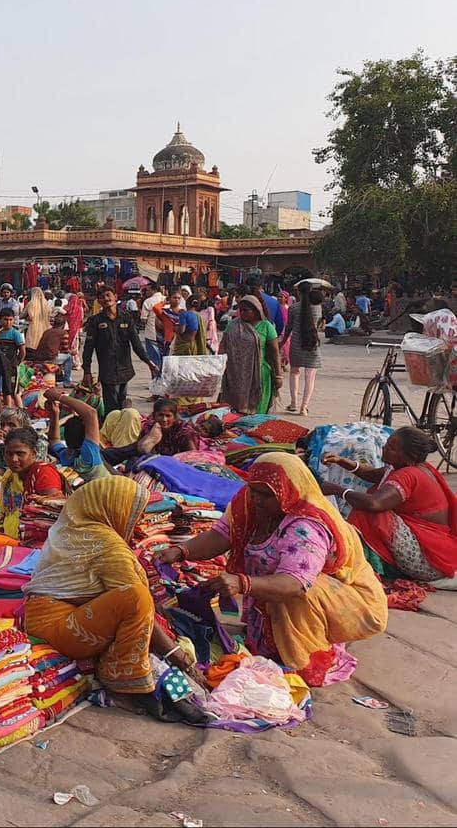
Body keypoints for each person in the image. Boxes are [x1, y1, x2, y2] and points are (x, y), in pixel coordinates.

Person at [155, 454, 386, 686]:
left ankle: (307, 654)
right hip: (286, 589)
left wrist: (242, 583)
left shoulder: (306, 527)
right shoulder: (249, 503)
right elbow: (221, 535)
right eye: (253, 490)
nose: (255, 498)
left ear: (289, 490)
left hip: (348, 601)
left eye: (265, 494)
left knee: (301, 592)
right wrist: (181, 551)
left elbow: (295, 584)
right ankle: (270, 640)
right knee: (270, 590)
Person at [24, 477, 208, 723]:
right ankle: (123, 683)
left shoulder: (70, 529)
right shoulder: (107, 544)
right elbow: (135, 604)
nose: (137, 520)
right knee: (136, 598)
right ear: (115, 507)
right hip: (61, 630)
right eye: (134, 512)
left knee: (140, 604)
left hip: (41, 619)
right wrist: (180, 659)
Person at [321, 427, 457, 583]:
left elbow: (374, 504)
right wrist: (341, 460)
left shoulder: (408, 475)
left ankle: (360, 563)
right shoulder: (408, 467)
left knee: (369, 512)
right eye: (387, 443)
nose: (385, 447)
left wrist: (338, 490)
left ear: (408, 457)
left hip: (429, 559)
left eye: (392, 448)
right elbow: (373, 474)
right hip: (431, 547)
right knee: (367, 502)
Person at [82, 288, 158, 414]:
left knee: (122, 402)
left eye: (108, 295)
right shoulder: (95, 321)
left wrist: (148, 362)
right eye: (102, 297)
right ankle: (111, 429)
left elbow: (136, 343)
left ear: (115, 296)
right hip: (108, 371)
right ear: (99, 301)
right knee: (112, 406)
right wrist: (87, 371)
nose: (106, 299)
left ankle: (121, 428)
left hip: (125, 369)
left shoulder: (126, 317)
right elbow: (88, 349)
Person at [0, 425, 66, 536]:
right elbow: (6, 512)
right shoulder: (9, 475)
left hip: (37, 539)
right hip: (10, 533)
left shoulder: (43, 473)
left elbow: (51, 517)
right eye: (9, 454)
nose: (14, 459)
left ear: (33, 453)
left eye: (20, 454)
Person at [219, 295, 280, 415]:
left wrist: (278, 376)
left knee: (257, 411)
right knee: (234, 411)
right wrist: (220, 366)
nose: (242, 313)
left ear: (256, 310)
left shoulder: (266, 326)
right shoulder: (233, 325)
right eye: (240, 310)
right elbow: (223, 345)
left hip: (259, 375)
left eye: (245, 310)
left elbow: (275, 352)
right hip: (235, 376)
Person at [45, 387, 113, 483]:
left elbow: (54, 439)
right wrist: (59, 397)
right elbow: (91, 413)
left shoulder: (66, 455)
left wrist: (55, 414)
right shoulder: (88, 457)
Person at [283, 288, 324, 415]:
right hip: (312, 345)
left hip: (296, 344)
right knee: (310, 377)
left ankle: (294, 403)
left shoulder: (293, 308)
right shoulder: (317, 308)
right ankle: (304, 407)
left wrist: (283, 341)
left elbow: (289, 327)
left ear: (299, 293)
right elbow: (318, 326)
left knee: (294, 373)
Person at [23, 287, 51, 352]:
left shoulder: (31, 303)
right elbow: (50, 314)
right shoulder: (46, 302)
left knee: (33, 345)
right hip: (45, 326)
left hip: (34, 327)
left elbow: (29, 316)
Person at [64, 290, 86, 354]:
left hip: (66, 329)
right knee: (74, 344)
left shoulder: (66, 308)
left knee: (66, 343)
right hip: (75, 329)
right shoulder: (79, 309)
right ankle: (74, 359)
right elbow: (81, 319)